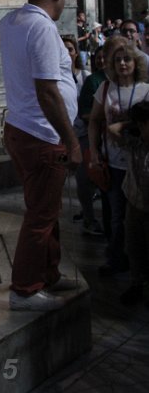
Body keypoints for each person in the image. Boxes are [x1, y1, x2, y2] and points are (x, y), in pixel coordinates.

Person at [0, 0, 81, 312]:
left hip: (21, 129)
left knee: (46, 209)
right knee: (40, 216)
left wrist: (15, 56)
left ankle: (49, 273)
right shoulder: (42, 29)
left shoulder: (13, 20)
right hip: (42, 136)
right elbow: (47, 92)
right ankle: (25, 290)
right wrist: (71, 141)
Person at [88, 41, 149, 275]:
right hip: (113, 162)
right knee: (116, 217)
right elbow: (94, 120)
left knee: (140, 218)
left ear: (136, 62)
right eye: (117, 60)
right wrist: (94, 151)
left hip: (139, 164)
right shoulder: (105, 88)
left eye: (127, 59)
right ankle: (116, 260)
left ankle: (140, 269)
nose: (123, 63)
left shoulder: (145, 89)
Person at [107, 100, 149, 305]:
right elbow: (112, 129)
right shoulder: (135, 144)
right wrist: (131, 124)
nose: (143, 129)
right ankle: (136, 284)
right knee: (134, 247)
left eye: (146, 124)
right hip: (134, 204)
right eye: (141, 124)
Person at [74, 44, 106, 235]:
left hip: (109, 138)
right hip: (85, 134)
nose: (102, 61)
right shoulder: (93, 80)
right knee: (85, 178)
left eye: (105, 57)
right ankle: (88, 216)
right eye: (98, 58)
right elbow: (86, 111)